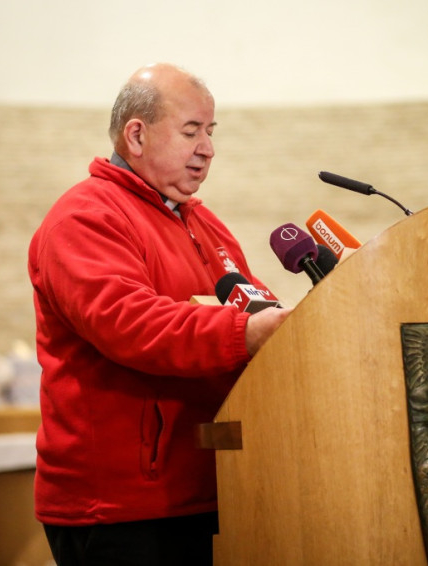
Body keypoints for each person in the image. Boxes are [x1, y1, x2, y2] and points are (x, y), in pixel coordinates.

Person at [28, 63, 292, 565]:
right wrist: (248, 332)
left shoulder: (203, 222)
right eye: (191, 131)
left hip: (209, 484)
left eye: (210, 132)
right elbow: (131, 324)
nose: (208, 148)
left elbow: (251, 303)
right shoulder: (85, 218)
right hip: (122, 506)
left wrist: (289, 324)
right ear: (136, 135)